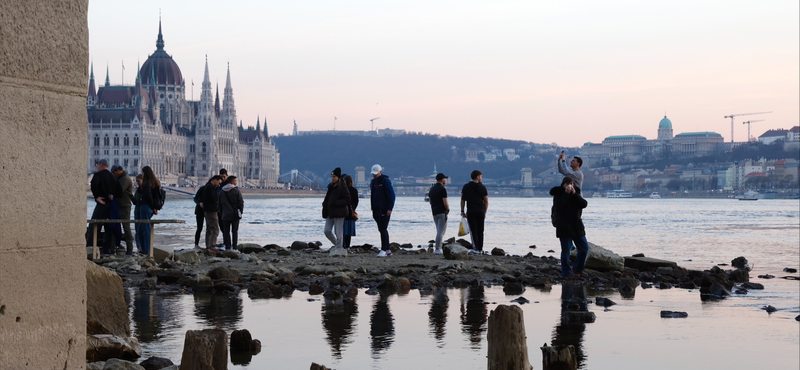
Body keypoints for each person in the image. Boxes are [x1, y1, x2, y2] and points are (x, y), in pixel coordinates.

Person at [550, 177, 590, 278]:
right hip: (564, 226)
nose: (569, 186)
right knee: (566, 251)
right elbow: (558, 207)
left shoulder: (576, 193)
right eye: (567, 184)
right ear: (563, 184)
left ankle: (577, 269)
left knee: (584, 248)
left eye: (571, 183)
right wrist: (566, 194)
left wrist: (574, 194)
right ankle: (566, 272)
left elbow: (583, 204)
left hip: (576, 225)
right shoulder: (558, 194)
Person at [89, 159, 122, 255]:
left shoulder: (98, 175)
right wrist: (113, 196)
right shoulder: (114, 177)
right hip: (111, 205)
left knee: (94, 225)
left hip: (102, 204)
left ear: (101, 165)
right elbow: (120, 191)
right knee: (109, 227)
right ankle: (107, 249)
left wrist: (97, 197)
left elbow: (94, 185)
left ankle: (91, 246)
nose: (96, 167)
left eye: (97, 165)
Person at [323, 168, 351, 251]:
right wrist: (325, 204)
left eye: (334, 176)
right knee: (327, 231)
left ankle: (339, 248)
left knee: (338, 233)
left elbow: (347, 199)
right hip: (330, 212)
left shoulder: (343, 187)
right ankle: (337, 244)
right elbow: (327, 198)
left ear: (338, 177)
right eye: (332, 176)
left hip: (339, 212)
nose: (333, 178)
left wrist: (336, 203)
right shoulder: (330, 186)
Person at [135, 166, 162, 255]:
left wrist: (152, 206)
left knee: (144, 229)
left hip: (145, 207)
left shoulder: (146, 183)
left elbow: (148, 196)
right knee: (145, 228)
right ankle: (146, 248)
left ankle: (145, 250)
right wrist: (155, 208)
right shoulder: (156, 182)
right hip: (151, 208)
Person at [370, 164, 395, 257]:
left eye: (375, 173)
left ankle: (384, 249)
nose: (374, 175)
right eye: (373, 173)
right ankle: (387, 250)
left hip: (384, 209)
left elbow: (391, 196)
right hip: (376, 209)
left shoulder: (385, 181)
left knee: (383, 228)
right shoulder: (373, 182)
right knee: (381, 229)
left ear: (380, 172)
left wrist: (390, 208)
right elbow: (373, 196)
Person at [460, 170, 488, 254]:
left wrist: (462, 210)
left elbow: (463, 200)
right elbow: (486, 201)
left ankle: (475, 248)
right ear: (477, 177)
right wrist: (484, 212)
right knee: (480, 230)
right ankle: (480, 249)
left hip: (471, 211)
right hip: (480, 211)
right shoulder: (483, 187)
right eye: (481, 176)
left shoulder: (466, 187)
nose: (481, 178)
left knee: (473, 230)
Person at [111, 164, 135, 254]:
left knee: (126, 227)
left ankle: (129, 248)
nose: (113, 174)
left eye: (114, 172)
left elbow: (118, 191)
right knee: (115, 226)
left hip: (124, 206)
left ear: (118, 170)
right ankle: (114, 247)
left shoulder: (125, 179)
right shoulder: (121, 178)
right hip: (119, 205)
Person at [219, 176, 244, 251]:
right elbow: (240, 203)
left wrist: (221, 213)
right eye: (235, 181)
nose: (236, 182)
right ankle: (234, 247)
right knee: (234, 231)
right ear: (232, 182)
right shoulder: (236, 190)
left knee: (226, 232)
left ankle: (227, 247)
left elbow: (219, 204)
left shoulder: (222, 191)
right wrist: (240, 212)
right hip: (234, 214)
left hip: (225, 214)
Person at [429, 173, 450, 255]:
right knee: (441, 231)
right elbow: (445, 203)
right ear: (442, 179)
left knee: (438, 230)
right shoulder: (442, 189)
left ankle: (438, 247)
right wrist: (448, 209)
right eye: (444, 179)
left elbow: (431, 202)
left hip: (434, 212)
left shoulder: (432, 189)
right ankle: (438, 248)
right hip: (442, 212)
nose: (445, 180)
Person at [203, 175, 223, 250]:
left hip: (207, 210)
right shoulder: (210, 188)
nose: (219, 185)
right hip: (211, 211)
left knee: (209, 229)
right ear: (215, 180)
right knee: (215, 229)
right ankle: (212, 246)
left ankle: (208, 245)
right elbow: (213, 199)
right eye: (219, 182)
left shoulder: (207, 187)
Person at [342, 174, 359, 249]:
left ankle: (342, 245)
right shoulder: (354, 190)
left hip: (342, 212)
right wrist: (353, 208)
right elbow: (356, 201)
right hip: (351, 213)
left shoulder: (343, 190)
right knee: (348, 232)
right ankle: (348, 246)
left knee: (342, 231)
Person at [193, 180, 207, 248]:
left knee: (209, 228)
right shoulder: (202, 188)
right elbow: (195, 198)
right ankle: (196, 244)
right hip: (200, 210)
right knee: (199, 228)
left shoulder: (214, 190)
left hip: (209, 210)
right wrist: (199, 203)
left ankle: (208, 244)